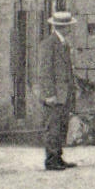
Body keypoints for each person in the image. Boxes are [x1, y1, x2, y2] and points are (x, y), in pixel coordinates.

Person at [38, 9, 77, 171]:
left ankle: (58, 157)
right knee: (52, 127)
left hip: (64, 93)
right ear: (63, 27)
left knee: (61, 126)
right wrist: (49, 94)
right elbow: (44, 72)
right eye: (68, 26)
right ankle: (51, 160)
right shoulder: (48, 44)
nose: (70, 29)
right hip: (54, 95)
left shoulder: (64, 44)